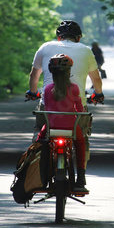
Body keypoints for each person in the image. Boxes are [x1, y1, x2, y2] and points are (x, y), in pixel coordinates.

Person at [26, 20, 104, 165]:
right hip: (75, 110)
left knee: (39, 129)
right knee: (82, 137)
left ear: (58, 37)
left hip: (48, 108)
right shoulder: (86, 50)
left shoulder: (45, 47)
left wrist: (33, 92)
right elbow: (96, 78)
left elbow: (34, 75)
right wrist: (98, 94)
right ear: (78, 38)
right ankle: (81, 175)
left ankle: (35, 163)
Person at [35, 54, 88, 191]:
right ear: (69, 72)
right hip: (71, 127)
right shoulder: (75, 88)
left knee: (40, 142)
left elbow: (47, 109)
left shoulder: (47, 89)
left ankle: (41, 174)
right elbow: (80, 110)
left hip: (51, 127)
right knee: (80, 142)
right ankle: (81, 177)